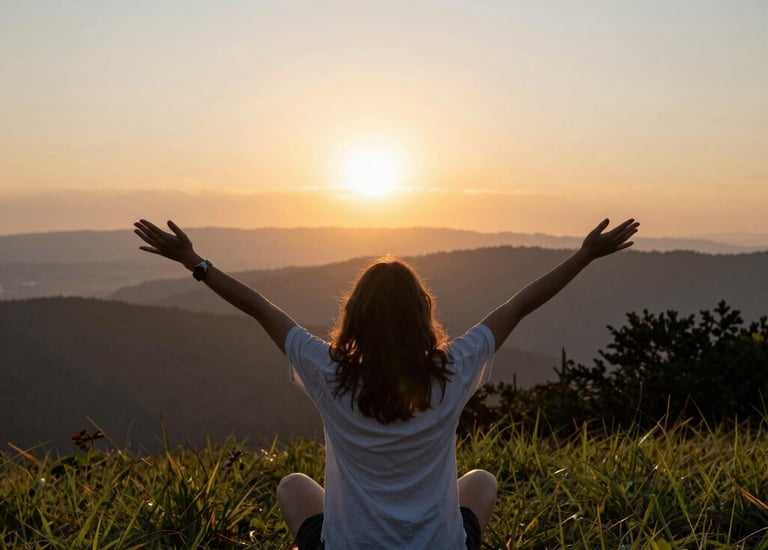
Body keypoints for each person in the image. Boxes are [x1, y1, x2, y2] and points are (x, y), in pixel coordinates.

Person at [133, 217, 639, 549]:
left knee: (293, 485)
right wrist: (584, 255)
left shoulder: (326, 371)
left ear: (354, 315)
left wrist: (194, 262)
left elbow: (259, 307)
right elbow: (519, 305)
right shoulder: (454, 369)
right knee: (482, 482)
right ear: (423, 314)